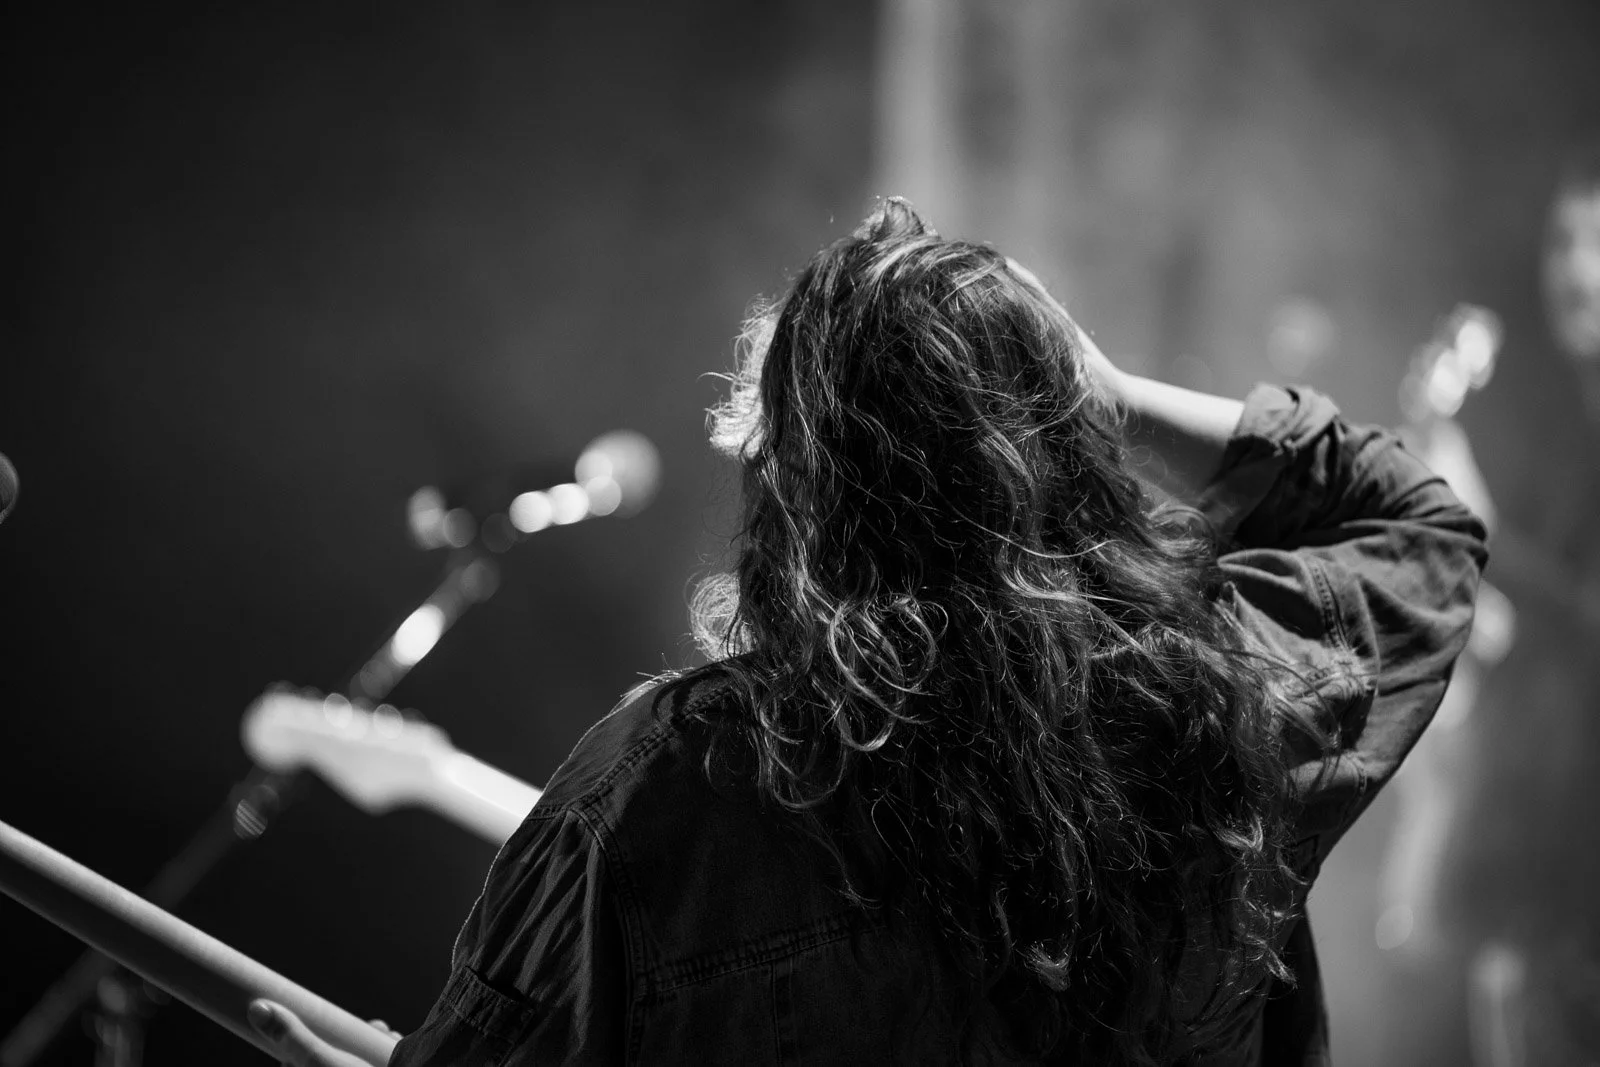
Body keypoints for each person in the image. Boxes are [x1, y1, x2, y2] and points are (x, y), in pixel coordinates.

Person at [250, 200, 1487, 1065]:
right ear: (1070, 456)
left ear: (791, 484)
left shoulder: (665, 785)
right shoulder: (1226, 688)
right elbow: (1417, 517)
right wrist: (1099, 391)